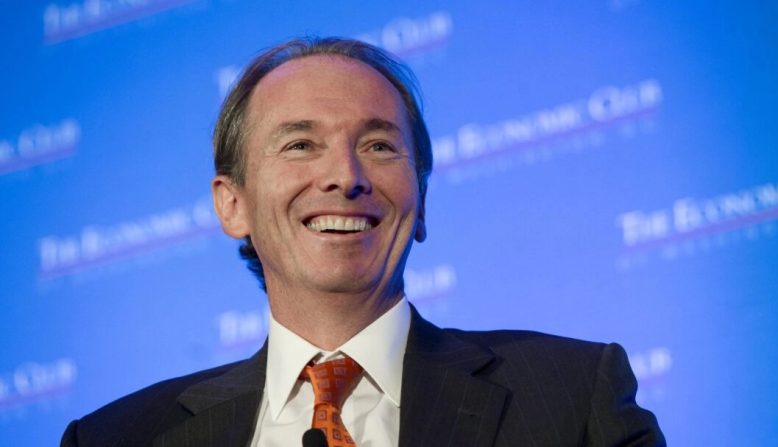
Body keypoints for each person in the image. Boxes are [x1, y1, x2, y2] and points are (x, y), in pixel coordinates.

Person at [60, 37, 665, 447]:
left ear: (421, 200)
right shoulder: (121, 436)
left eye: (378, 146)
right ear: (232, 203)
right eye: (300, 144)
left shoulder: (570, 395)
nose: (345, 177)